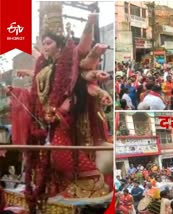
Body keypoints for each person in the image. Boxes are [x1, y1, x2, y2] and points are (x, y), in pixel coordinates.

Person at [6, 10, 113, 211]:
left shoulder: (68, 62)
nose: (46, 47)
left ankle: (94, 179)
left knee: (59, 151)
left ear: (59, 44)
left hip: (63, 117)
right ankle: (47, 187)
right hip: (42, 118)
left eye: (49, 43)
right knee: (38, 156)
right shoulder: (45, 67)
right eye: (43, 43)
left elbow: (74, 88)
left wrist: (61, 109)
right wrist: (17, 91)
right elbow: (37, 93)